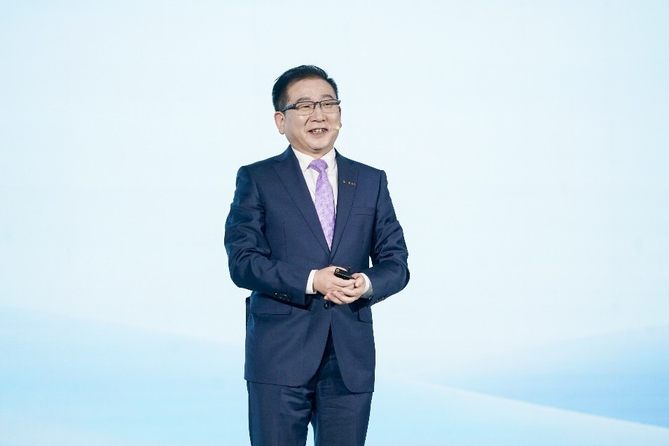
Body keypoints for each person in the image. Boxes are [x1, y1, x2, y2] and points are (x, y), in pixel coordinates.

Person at [224, 65, 409, 446]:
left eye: (328, 103)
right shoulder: (258, 178)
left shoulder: (371, 180)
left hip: (349, 359)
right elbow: (243, 262)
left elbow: (396, 263)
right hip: (279, 355)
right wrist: (311, 280)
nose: (319, 114)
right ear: (281, 120)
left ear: (340, 113)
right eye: (304, 105)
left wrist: (366, 283)